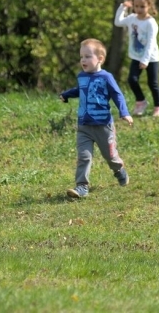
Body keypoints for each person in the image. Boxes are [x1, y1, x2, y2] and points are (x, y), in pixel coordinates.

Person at [60, 38, 134, 198]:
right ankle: (82, 187)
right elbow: (81, 90)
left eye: (87, 56)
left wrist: (124, 112)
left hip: (103, 127)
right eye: (81, 57)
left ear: (100, 59)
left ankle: (119, 169)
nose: (83, 60)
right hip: (84, 126)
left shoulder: (106, 77)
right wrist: (66, 95)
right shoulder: (82, 76)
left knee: (111, 157)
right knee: (84, 157)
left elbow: (117, 95)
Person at [114, 0, 159, 117]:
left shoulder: (151, 23)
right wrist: (122, 7)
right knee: (132, 80)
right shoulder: (132, 18)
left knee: (152, 83)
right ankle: (141, 101)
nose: (139, 9)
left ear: (149, 5)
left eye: (142, 6)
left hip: (151, 58)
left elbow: (151, 42)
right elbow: (118, 22)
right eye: (136, 6)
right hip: (136, 56)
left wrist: (145, 60)